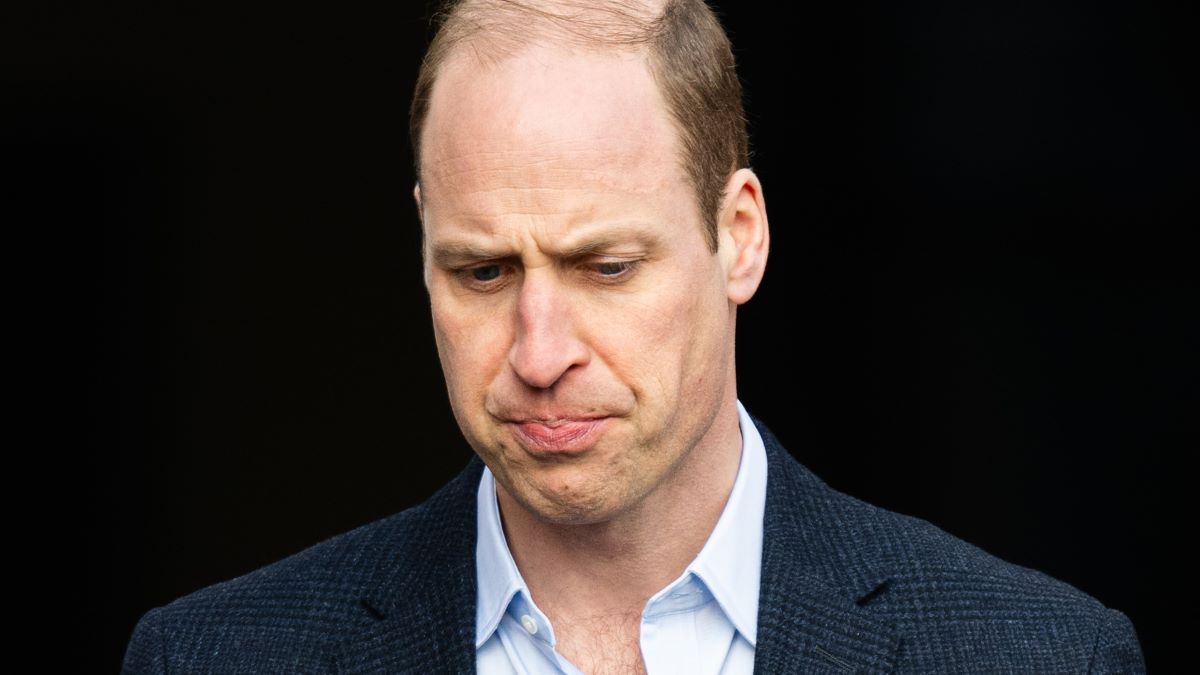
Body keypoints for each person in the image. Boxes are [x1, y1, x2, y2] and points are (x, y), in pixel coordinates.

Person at [122, 1, 1146, 672]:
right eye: (481, 272)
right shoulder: (218, 656)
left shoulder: (1033, 654)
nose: (537, 353)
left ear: (738, 237)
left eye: (605, 267)